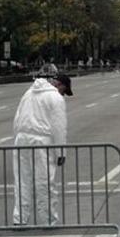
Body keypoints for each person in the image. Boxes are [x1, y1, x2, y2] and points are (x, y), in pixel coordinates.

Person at [11, 73, 72, 225]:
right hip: (42, 141)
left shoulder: (29, 92)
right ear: (61, 85)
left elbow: (17, 118)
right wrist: (61, 152)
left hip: (22, 139)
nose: (63, 95)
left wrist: (17, 139)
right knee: (44, 182)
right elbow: (59, 127)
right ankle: (48, 219)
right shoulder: (56, 98)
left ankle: (20, 218)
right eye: (64, 91)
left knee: (22, 181)